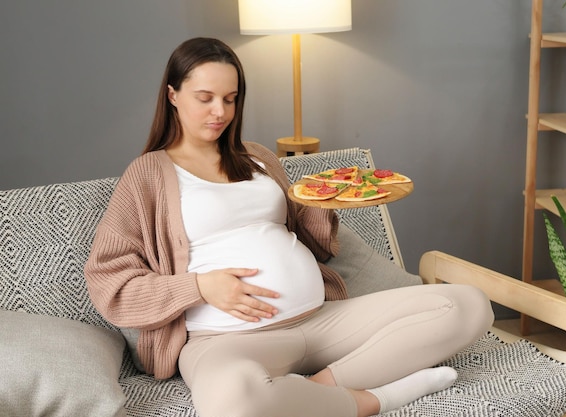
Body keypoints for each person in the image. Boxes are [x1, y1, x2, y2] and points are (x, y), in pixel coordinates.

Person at [84, 37, 494, 417]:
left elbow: (313, 241)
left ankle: (318, 389)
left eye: (230, 99)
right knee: (233, 403)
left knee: (469, 305)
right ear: (172, 95)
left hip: (321, 320)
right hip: (224, 340)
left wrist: (330, 198)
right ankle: (376, 398)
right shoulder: (148, 175)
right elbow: (108, 281)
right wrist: (199, 286)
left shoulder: (258, 157)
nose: (220, 113)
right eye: (205, 98)